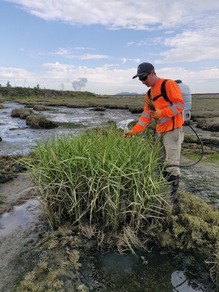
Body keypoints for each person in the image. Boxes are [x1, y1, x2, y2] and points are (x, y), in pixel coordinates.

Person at [124, 62, 185, 207]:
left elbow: (180, 104)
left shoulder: (168, 84)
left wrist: (163, 112)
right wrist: (134, 131)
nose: (143, 81)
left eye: (144, 77)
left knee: (172, 163)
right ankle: (163, 189)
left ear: (152, 73)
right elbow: (146, 116)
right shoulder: (149, 94)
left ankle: (173, 197)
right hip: (160, 131)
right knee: (158, 162)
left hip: (173, 130)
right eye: (140, 79)